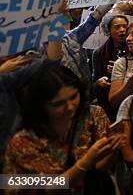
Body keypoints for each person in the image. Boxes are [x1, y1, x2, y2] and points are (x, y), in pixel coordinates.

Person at [3, 65, 125, 193]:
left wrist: (114, 147)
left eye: (73, 97)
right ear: (40, 105)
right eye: (58, 103)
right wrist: (85, 163)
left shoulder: (93, 115)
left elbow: (100, 168)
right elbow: (43, 189)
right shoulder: (23, 140)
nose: (70, 107)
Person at [92, 14, 128, 118]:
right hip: (108, 103)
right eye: (117, 27)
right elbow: (95, 81)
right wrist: (99, 82)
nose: (122, 30)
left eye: (125, 26)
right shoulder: (99, 53)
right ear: (109, 30)